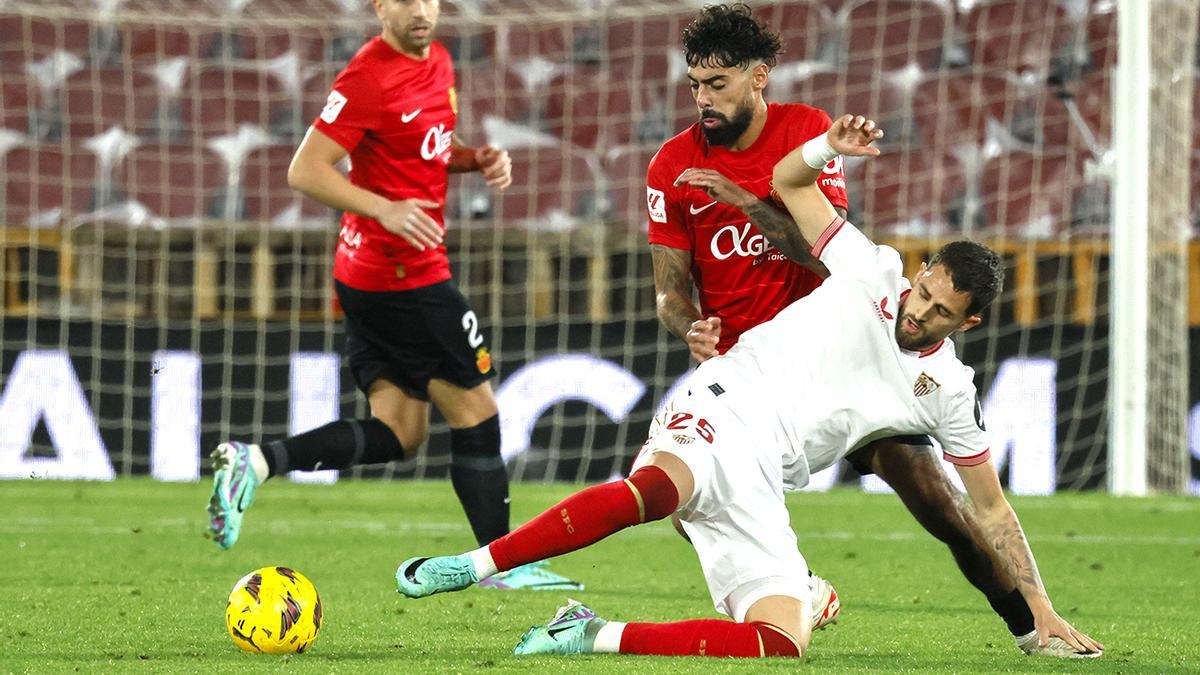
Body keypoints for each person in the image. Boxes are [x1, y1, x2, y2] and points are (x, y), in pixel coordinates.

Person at [389, 116, 1104, 660]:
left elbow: (992, 508)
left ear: (969, 323)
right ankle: (472, 564)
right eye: (923, 292)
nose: (917, 312)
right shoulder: (873, 268)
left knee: (779, 641)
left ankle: (589, 633)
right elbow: (794, 182)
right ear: (917, 272)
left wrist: (1038, 604)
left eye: (939, 312)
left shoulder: (948, 389)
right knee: (657, 490)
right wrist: (827, 145)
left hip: (767, 474)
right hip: (729, 399)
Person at [650, 3, 1047, 655]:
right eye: (694, 83)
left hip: (842, 362)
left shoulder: (804, 134)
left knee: (934, 495)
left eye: (716, 83)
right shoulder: (670, 165)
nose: (702, 98)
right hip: (749, 377)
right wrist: (689, 325)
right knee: (689, 503)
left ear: (759, 77)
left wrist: (746, 203)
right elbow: (669, 287)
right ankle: (802, 587)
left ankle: (1031, 626)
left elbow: (824, 249)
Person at [205, 0, 578, 591]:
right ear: (379, 7)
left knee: (401, 431)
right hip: (404, 277)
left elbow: (425, 149)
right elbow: (305, 170)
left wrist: (474, 159)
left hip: (367, 278)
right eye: (405, 0)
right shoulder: (367, 77)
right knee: (477, 411)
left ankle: (256, 462)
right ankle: (501, 566)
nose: (421, 10)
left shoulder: (442, 62)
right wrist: (386, 208)